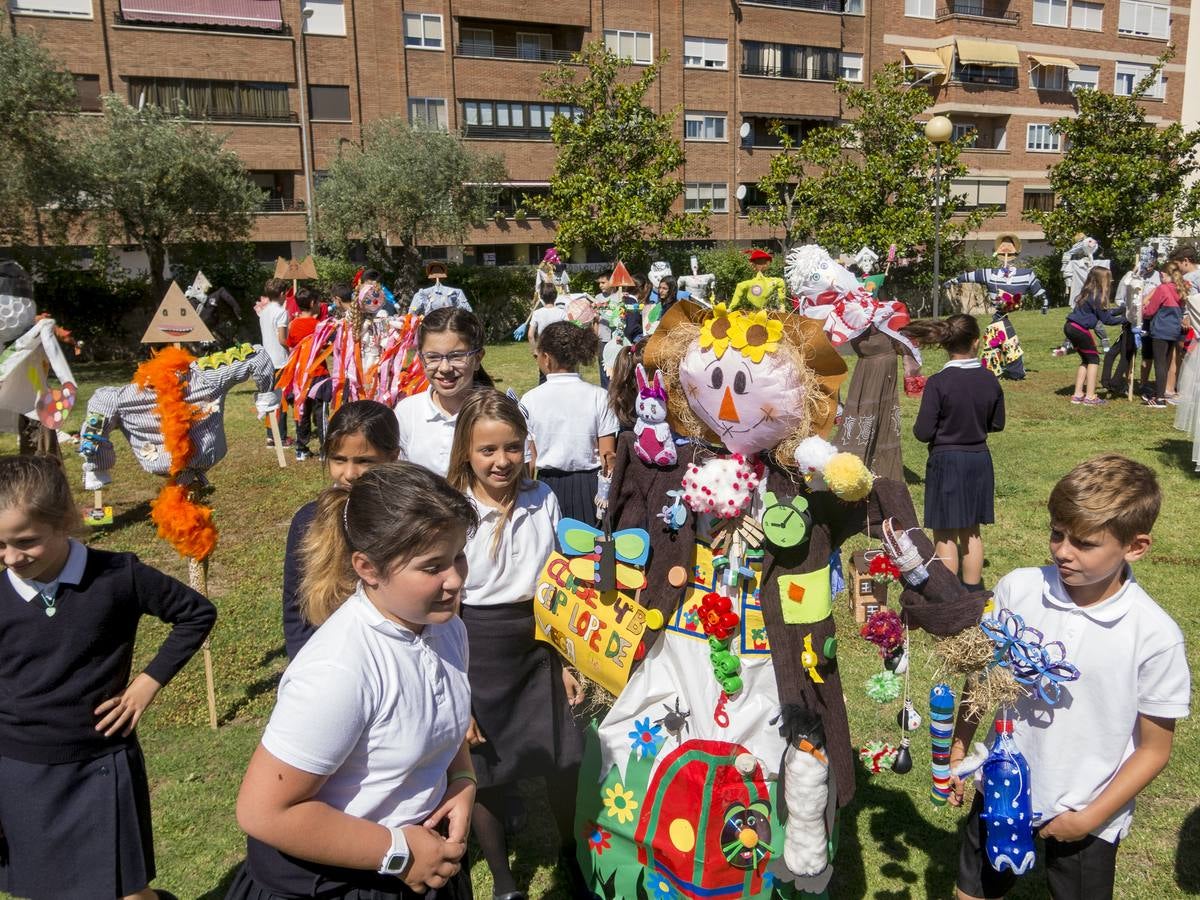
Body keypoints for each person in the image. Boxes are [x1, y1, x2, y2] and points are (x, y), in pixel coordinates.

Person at [228, 463, 478, 900]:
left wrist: (462, 778)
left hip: (422, 861)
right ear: (368, 568)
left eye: (458, 556)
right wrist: (397, 851)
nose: (455, 579)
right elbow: (263, 812)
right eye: (432, 566)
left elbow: (441, 715)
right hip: (341, 883)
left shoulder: (445, 628)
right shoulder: (339, 670)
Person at [949, 454, 1189, 900]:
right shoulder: (1019, 589)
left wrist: (1088, 819)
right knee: (974, 891)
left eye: (1084, 543)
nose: (1062, 551)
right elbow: (984, 677)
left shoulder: (1155, 635)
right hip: (1001, 786)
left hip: (1089, 809)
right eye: (1057, 533)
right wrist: (961, 747)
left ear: (1136, 547)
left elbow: (1155, 750)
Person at [0, 455, 216, 900]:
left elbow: (196, 613)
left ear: (64, 521)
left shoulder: (119, 576)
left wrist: (147, 683)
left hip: (101, 762)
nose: (11, 557)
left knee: (127, 893)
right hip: (19, 769)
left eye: (26, 542)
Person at [446, 391, 585, 900]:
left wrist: (565, 658)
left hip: (539, 641)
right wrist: (459, 695)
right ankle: (504, 880)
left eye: (511, 447)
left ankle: (573, 853)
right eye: (487, 451)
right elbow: (448, 608)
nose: (501, 461)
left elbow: (558, 581)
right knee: (486, 769)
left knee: (564, 759)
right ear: (466, 452)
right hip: (477, 646)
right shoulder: (453, 510)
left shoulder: (542, 497)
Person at [282, 400, 400, 659]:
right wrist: (303, 660)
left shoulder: (406, 518)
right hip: (328, 656)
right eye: (339, 460)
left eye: (364, 461)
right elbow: (295, 605)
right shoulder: (308, 521)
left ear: (393, 457)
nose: (350, 473)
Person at [908, 315, 1005, 590]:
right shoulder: (990, 379)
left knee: (945, 532)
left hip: (947, 462)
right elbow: (997, 423)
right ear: (976, 342)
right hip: (978, 460)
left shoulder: (939, 382)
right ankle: (973, 591)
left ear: (945, 344)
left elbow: (922, 432)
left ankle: (949, 595)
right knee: (971, 530)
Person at [522, 321, 619, 524]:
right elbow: (608, 456)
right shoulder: (600, 396)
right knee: (590, 542)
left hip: (546, 488)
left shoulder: (529, 400)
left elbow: (529, 460)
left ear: (546, 358)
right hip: (592, 489)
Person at [394, 307, 490, 476]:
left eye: (457, 356)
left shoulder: (496, 412)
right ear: (421, 358)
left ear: (477, 359)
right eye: (432, 357)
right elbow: (399, 477)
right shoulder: (407, 412)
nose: (445, 368)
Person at [1064, 267, 1125, 406]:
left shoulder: (1087, 293)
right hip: (1080, 330)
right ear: (1102, 280)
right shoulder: (1098, 296)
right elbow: (1107, 319)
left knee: (1086, 359)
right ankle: (1090, 397)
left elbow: (1104, 312)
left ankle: (1078, 394)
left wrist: (1121, 310)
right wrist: (1125, 319)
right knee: (1094, 359)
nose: (1111, 281)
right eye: (1109, 278)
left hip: (1070, 326)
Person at [287, 287, 329, 461]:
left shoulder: (293, 324)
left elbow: (291, 345)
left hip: (301, 376)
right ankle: (325, 449)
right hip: (319, 373)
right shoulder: (318, 326)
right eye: (318, 302)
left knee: (302, 411)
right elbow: (326, 346)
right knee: (321, 412)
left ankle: (301, 448)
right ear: (312, 303)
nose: (320, 305)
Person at [1142, 261, 1187, 408]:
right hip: (1174, 331)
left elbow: (1150, 311)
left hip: (1161, 330)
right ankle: (1161, 393)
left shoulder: (1163, 288)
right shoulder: (1179, 288)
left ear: (1163, 274)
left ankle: (1160, 398)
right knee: (1166, 363)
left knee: (1160, 363)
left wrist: (1142, 309)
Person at [258, 278, 292, 447]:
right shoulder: (281, 312)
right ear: (282, 294)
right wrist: (294, 347)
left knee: (270, 399)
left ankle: (270, 435)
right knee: (281, 400)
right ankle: (281, 437)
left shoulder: (264, 312)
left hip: (266, 361)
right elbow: (282, 339)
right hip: (280, 360)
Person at [528, 282, 566, 385]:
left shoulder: (537, 313)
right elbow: (567, 331)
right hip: (558, 350)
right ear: (556, 296)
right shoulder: (562, 312)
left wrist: (535, 351)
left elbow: (530, 335)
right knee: (559, 377)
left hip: (543, 350)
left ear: (541, 297)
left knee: (544, 378)